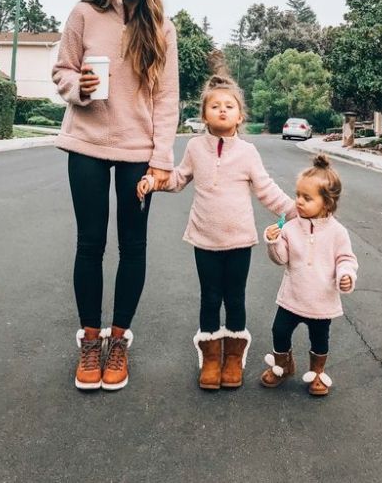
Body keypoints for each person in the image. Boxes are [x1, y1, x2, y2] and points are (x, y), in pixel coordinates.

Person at [52, 0, 179, 392]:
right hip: (85, 141)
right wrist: (77, 87)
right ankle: (89, 340)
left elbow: (167, 99)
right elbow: (62, 69)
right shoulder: (84, 13)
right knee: (90, 243)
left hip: (137, 150)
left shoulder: (162, 28)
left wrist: (161, 158)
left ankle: (119, 339)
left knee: (133, 245)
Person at [137, 74, 296, 390]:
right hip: (204, 239)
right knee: (210, 298)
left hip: (239, 241)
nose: (222, 110)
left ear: (240, 115)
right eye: (214, 105)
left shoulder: (248, 152)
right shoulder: (195, 147)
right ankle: (210, 359)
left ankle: (233, 358)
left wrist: (297, 211)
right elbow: (179, 178)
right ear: (204, 113)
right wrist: (154, 182)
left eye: (229, 106)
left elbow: (266, 190)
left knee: (235, 298)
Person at [260, 153, 358, 396]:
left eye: (307, 198)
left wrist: (346, 275)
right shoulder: (290, 228)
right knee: (279, 331)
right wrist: (273, 242)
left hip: (322, 301)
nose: (299, 202)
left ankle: (317, 374)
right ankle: (283, 365)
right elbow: (280, 259)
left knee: (320, 338)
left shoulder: (338, 232)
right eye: (297, 196)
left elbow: (346, 259)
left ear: (327, 203)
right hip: (292, 296)